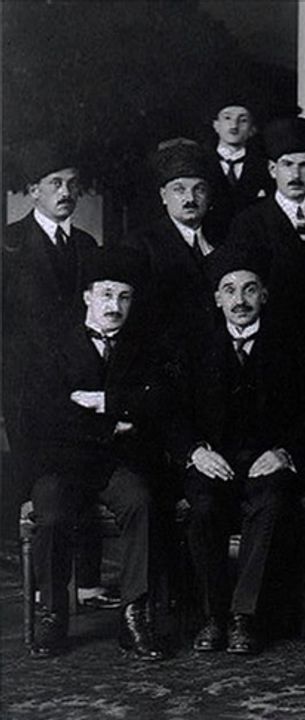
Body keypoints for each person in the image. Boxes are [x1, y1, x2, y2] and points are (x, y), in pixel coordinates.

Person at [171, 246, 305, 655]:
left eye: (250, 289)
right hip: (212, 460)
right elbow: (172, 411)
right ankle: (212, 616)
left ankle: (244, 616)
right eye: (230, 290)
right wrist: (196, 452)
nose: (240, 300)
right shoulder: (194, 346)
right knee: (203, 507)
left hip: (267, 461)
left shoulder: (293, 344)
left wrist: (285, 452)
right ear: (217, 298)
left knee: (271, 503)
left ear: (264, 295)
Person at [25, 248, 169, 661]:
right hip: (62, 464)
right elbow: (45, 415)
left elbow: (158, 402)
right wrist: (115, 424)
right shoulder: (54, 345)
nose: (114, 306)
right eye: (106, 295)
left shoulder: (143, 348)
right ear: (88, 296)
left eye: (124, 297)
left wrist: (106, 402)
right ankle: (53, 613)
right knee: (52, 515)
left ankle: (133, 615)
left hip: (114, 466)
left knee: (140, 502)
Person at [2, 142, 119, 610]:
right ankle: (44, 589)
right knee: (44, 486)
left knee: (85, 469)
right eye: (54, 183)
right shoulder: (9, 244)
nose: (65, 192)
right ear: (34, 191)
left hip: (82, 380)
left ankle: (88, 582)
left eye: (71, 184)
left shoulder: (87, 245)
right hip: (26, 389)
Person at [225, 115, 305, 397]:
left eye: (304, 165)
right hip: (272, 350)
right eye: (287, 164)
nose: (296, 174)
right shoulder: (249, 222)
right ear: (272, 169)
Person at [122, 138, 220, 355]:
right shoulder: (141, 244)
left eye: (199, 189)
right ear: (163, 195)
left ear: (209, 196)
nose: (190, 198)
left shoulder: (222, 241)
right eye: (179, 189)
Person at [204, 98, 273, 239]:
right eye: (227, 118)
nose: (234, 125)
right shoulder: (200, 162)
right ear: (216, 125)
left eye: (243, 120)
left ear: (252, 130)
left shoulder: (264, 166)